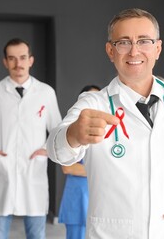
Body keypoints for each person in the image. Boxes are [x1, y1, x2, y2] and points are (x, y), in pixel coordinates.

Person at [46, 8, 164, 239]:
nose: (134, 50)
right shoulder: (93, 104)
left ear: (157, 49)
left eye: (144, 41)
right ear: (111, 51)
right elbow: (55, 150)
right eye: (123, 42)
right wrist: (72, 135)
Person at [0, 38, 62, 239]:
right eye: (12, 58)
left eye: (22, 58)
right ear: (5, 62)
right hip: (3, 170)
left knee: (36, 235)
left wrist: (46, 149)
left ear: (31, 60)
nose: (18, 64)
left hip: (33, 171)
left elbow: (58, 130)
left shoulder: (46, 92)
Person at [58, 85, 100, 239]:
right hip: (77, 197)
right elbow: (68, 168)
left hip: (99, 197)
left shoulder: (109, 132)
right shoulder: (71, 130)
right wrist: (102, 171)